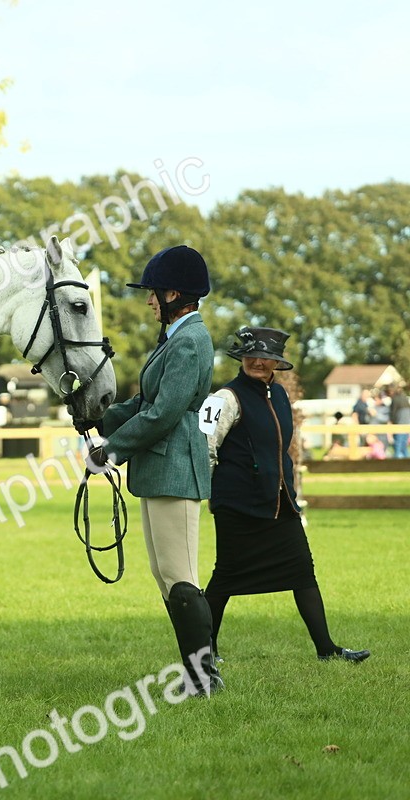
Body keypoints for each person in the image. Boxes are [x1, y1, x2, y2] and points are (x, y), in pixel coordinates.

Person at [90, 244, 222, 696]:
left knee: (181, 578)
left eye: (154, 292)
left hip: (176, 467)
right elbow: (145, 402)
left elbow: (164, 413)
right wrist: (98, 419)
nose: (148, 300)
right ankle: (196, 673)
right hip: (160, 468)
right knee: (166, 576)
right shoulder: (174, 338)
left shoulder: (189, 340)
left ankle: (204, 677)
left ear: (175, 294)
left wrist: (110, 451)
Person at [205, 327, 369, 663]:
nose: (258, 362)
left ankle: (327, 650)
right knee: (225, 578)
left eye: (265, 357)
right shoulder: (225, 398)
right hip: (237, 506)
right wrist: (207, 492)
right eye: (251, 355)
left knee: (302, 571)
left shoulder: (279, 395)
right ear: (242, 358)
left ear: (276, 362)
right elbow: (204, 447)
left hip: (281, 503)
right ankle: (204, 653)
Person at [390, 384, 410, 459]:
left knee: (398, 442)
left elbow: (393, 412)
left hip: (400, 422)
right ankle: (406, 457)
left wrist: (392, 422)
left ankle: (397, 457)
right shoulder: (404, 397)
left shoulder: (395, 398)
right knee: (404, 443)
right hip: (407, 422)